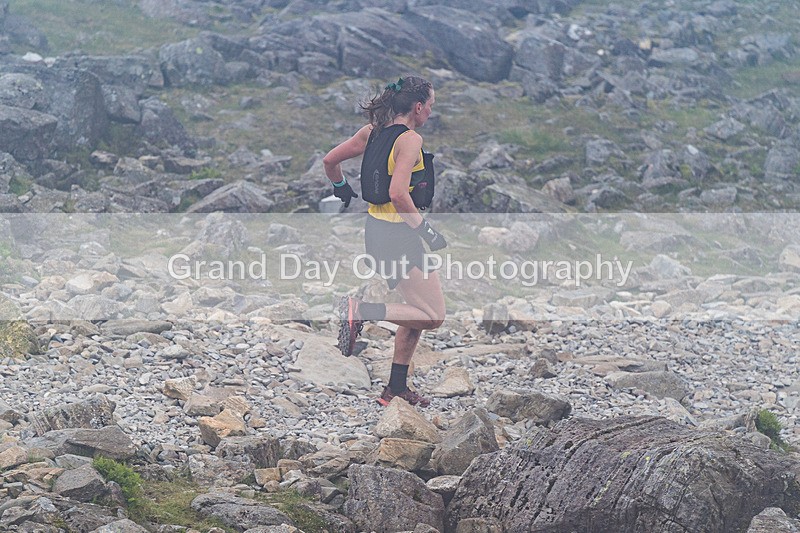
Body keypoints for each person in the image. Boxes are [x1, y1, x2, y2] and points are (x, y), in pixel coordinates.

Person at [322, 75, 447, 408]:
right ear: (418, 107)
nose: (431, 113)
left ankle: (395, 389)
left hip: (376, 231)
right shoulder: (409, 140)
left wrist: (340, 189)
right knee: (433, 316)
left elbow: (329, 161)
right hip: (399, 234)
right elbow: (397, 193)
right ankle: (361, 310)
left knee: (415, 311)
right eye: (431, 106)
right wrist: (426, 231)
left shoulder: (370, 132)